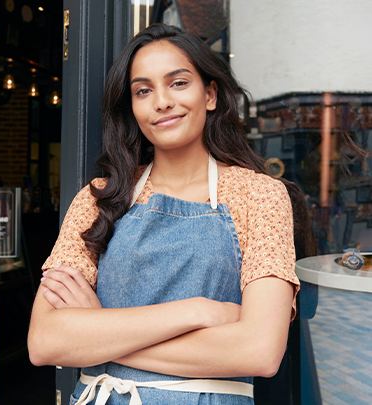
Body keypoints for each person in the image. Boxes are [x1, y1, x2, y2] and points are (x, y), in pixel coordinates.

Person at [28, 23, 299, 405]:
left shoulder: (260, 196)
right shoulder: (98, 199)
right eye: (143, 91)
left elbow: (259, 351)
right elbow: (44, 341)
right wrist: (199, 311)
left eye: (178, 83)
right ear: (133, 108)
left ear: (209, 95)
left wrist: (100, 334)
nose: (161, 102)